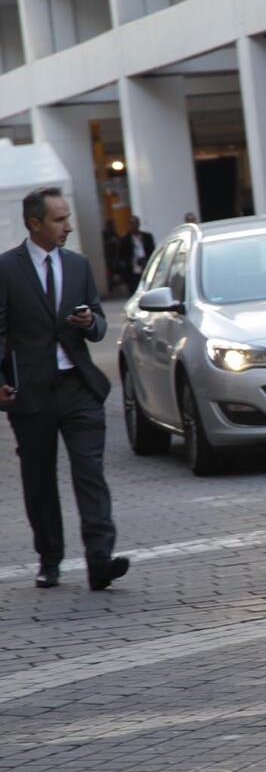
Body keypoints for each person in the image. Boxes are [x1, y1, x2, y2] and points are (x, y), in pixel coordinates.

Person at [0, 187, 130, 591]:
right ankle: (50, 559)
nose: (68, 227)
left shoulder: (78, 265)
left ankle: (99, 561)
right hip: (31, 393)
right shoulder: (5, 268)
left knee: (89, 472)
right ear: (34, 224)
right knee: (39, 480)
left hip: (79, 386)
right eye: (59, 219)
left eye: (67, 218)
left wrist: (89, 322)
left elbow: (100, 326)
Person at [117, 215, 155, 295]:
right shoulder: (125, 239)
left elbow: (152, 251)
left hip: (146, 265)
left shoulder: (147, 237)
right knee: (134, 289)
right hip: (133, 268)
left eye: (135, 223)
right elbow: (120, 255)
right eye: (131, 223)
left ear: (138, 224)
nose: (133, 226)